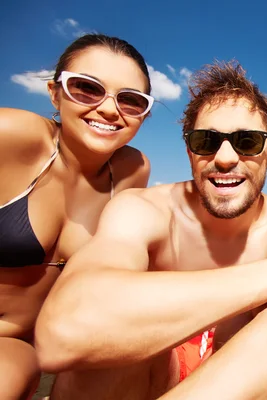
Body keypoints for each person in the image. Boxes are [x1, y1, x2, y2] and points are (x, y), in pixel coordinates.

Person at [34, 60, 267, 400]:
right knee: (110, 347)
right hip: (148, 378)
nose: (224, 158)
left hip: (242, 387)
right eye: (206, 140)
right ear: (190, 151)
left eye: (247, 141)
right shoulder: (144, 210)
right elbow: (61, 336)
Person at [0, 33, 153, 399]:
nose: (109, 109)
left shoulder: (132, 170)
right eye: (87, 88)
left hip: (47, 351)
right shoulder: (13, 137)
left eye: (131, 100)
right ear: (55, 93)